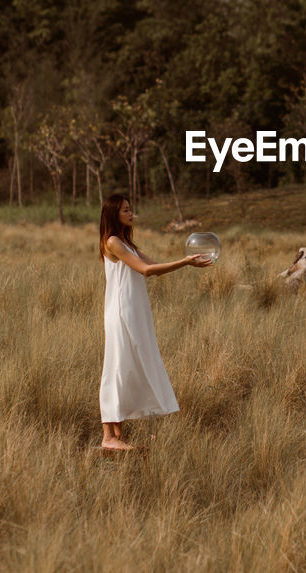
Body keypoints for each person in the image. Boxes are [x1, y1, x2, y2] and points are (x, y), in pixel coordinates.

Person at [98, 193, 212, 451]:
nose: (131, 213)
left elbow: (155, 266)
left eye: (130, 209)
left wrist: (187, 263)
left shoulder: (127, 244)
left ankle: (117, 435)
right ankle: (108, 436)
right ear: (114, 213)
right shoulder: (113, 242)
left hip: (134, 313)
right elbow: (146, 271)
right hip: (120, 313)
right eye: (126, 210)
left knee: (128, 365)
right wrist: (184, 262)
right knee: (115, 366)